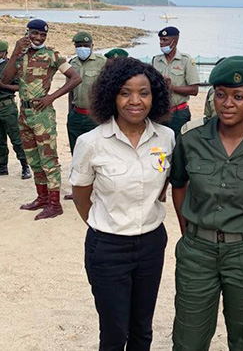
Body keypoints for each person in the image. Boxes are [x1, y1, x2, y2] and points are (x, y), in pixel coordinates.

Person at [170, 56, 243, 351]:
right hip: (197, 252)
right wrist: (190, 231)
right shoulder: (191, 138)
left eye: (238, 96)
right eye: (220, 94)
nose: (228, 103)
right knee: (188, 339)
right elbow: (179, 184)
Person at [69, 57, 174, 351]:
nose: (135, 101)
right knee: (115, 332)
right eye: (125, 92)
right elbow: (81, 194)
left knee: (142, 330)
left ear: (155, 96)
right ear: (111, 94)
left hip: (152, 244)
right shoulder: (91, 142)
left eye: (144, 92)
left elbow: (165, 182)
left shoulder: (166, 138)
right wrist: (104, 223)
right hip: (108, 248)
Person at [1, 19, 81, 220]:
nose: (38, 38)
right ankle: (42, 198)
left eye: (42, 35)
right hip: (24, 114)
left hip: (42, 114)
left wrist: (52, 97)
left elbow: (75, 77)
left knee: (48, 159)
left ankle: (55, 204)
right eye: (34, 33)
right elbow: (5, 80)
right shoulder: (19, 57)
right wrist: (14, 53)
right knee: (33, 158)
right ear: (27, 33)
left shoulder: (52, 55)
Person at [64, 31, 107, 200]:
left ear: (92, 46)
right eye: (79, 45)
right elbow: (69, 91)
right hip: (76, 115)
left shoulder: (102, 63)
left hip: (95, 117)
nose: (82, 48)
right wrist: (69, 114)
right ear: (75, 47)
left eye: (86, 45)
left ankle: (100, 190)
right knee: (77, 154)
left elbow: (107, 90)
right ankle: (78, 190)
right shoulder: (71, 64)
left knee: (98, 154)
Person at [152, 26, 200, 136]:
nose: (161, 43)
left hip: (179, 113)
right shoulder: (156, 60)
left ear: (175, 41)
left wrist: (172, 88)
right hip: (160, 112)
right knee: (159, 147)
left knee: (179, 146)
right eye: (160, 40)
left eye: (165, 40)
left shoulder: (185, 61)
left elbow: (194, 90)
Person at [0, 40, 31, 179]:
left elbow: (20, 87)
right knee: (0, 140)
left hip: (7, 107)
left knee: (16, 138)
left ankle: (25, 166)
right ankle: (2, 167)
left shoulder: (11, 66)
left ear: (5, 52)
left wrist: (4, 86)